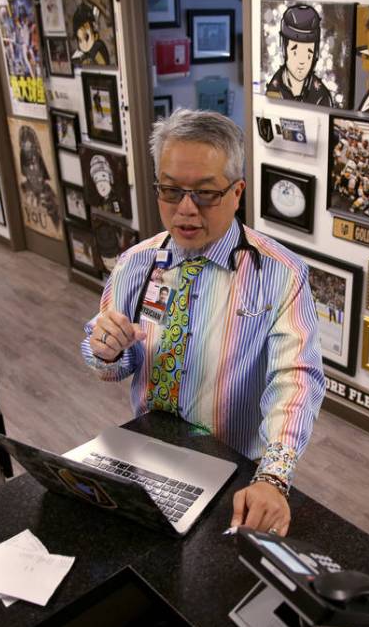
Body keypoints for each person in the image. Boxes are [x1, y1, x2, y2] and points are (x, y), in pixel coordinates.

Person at [81, 109, 324, 536]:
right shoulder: (135, 264)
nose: (186, 210)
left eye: (205, 193)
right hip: (145, 456)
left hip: (231, 470)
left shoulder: (280, 274)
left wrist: (273, 477)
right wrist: (106, 349)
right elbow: (113, 365)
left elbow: (296, 378)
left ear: (237, 192)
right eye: (170, 191)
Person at [265, 4, 333, 107]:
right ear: (284, 49)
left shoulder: (321, 97)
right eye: (295, 52)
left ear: (315, 53)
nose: (302, 61)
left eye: (309, 53)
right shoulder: (273, 91)